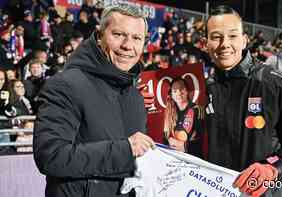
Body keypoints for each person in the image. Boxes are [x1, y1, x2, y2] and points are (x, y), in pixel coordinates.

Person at [33, 4, 155, 197]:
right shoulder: (66, 84)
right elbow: (51, 156)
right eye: (118, 34)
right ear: (99, 37)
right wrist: (124, 150)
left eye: (136, 38)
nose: (127, 46)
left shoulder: (136, 96)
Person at [204, 5, 282, 197]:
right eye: (216, 37)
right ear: (206, 43)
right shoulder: (204, 89)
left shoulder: (274, 82)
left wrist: (274, 168)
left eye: (232, 36)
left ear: (244, 40)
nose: (224, 44)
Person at [163, 78, 204, 157]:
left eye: (181, 89)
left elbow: (203, 142)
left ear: (187, 91)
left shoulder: (197, 110)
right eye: (175, 91)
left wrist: (185, 147)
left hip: (194, 160)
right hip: (175, 158)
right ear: (171, 95)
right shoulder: (169, 113)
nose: (178, 93)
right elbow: (165, 138)